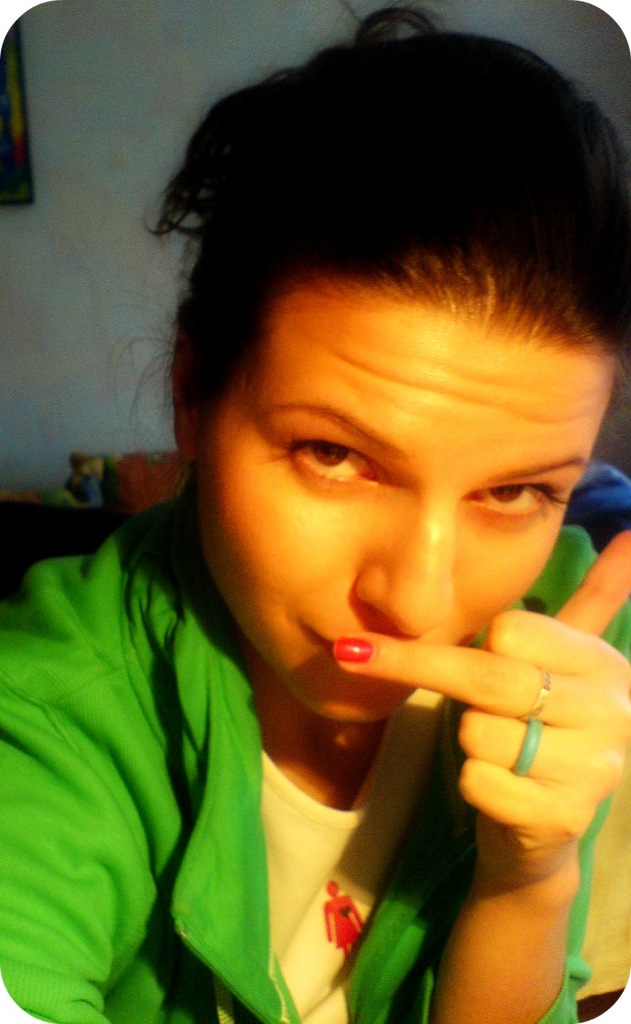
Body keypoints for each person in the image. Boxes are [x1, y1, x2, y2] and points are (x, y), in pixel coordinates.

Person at [1, 6, 631, 1023]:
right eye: (334, 456)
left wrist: (529, 877)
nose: (415, 600)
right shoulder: (46, 710)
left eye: (515, 491)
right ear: (192, 393)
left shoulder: (562, 646)